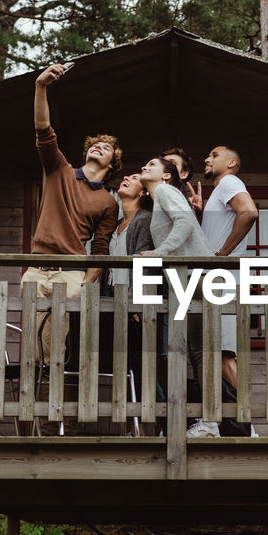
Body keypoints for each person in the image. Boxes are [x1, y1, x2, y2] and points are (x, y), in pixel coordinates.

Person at [21, 62, 120, 377]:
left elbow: (101, 248)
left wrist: (87, 283)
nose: (99, 145)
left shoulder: (107, 202)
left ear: (113, 162)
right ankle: (35, 419)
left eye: (107, 147)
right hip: (36, 271)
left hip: (72, 276)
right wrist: (40, 86)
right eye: (95, 143)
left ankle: (53, 423)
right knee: (33, 354)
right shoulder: (59, 169)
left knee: (58, 352)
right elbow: (43, 131)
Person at [138, 156, 219, 437]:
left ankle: (210, 423)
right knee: (190, 349)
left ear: (166, 176)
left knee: (198, 350)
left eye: (152, 165)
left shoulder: (164, 191)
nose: (144, 167)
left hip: (196, 275)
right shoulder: (159, 195)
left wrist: (162, 252)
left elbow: (184, 221)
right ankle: (203, 422)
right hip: (185, 278)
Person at [200, 146, 258, 392]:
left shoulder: (229, 182)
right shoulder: (219, 192)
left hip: (221, 278)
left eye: (214, 155)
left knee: (223, 353)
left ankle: (248, 427)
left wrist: (223, 253)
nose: (207, 158)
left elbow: (248, 212)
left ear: (232, 162)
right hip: (218, 279)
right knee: (215, 353)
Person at [108, 172, 155, 434]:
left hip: (135, 307)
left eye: (135, 178)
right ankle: (128, 429)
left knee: (140, 369)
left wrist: (139, 304)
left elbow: (146, 264)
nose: (126, 177)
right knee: (121, 368)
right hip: (114, 305)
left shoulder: (144, 220)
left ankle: (146, 432)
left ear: (144, 192)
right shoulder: (116, 226)